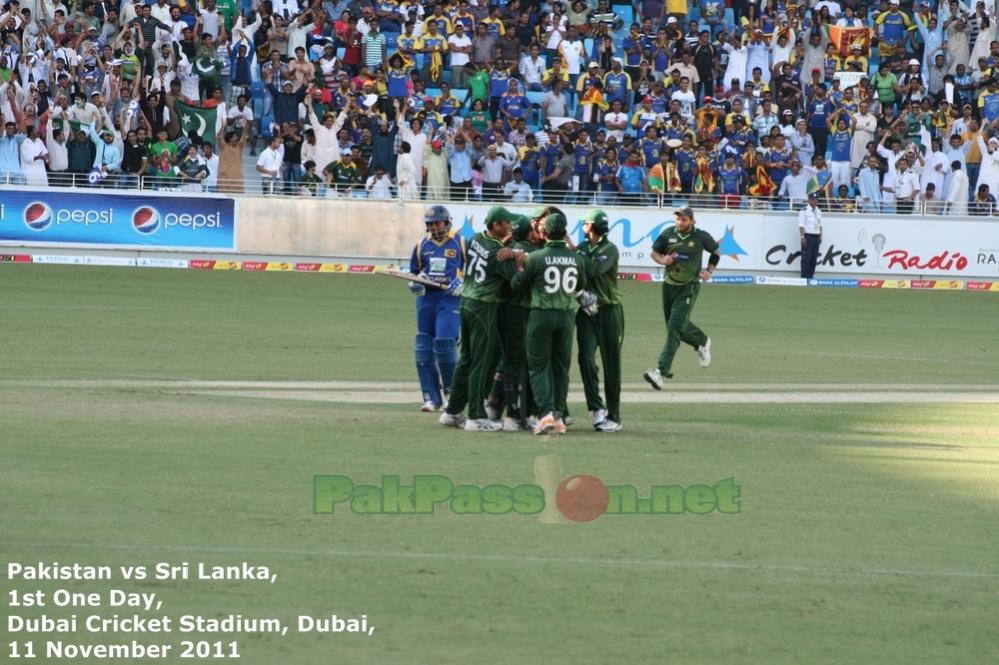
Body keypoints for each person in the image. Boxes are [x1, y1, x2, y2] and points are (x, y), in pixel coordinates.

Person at [511, 212, 589, 435]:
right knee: (561, 367)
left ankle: (545, 414)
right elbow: (580, 286)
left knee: (538, 366)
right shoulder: (577, 258)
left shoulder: (537, 257)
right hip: (566, 316)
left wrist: (518, 266)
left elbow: (518, 284)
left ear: (544, 232)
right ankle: (559, 415)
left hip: (542, 314)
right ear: (564, 233)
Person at [439, 206, 516, 432]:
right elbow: (515, 280)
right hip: (484, 306)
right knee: (480, 363)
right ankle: (476, 416)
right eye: (505, 223)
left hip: (467, 303)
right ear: (495, 225)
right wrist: (517, 256)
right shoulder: (498, 253)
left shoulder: (475, 240)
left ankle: (452, 411)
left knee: (466, 359)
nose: (509, 226)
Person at [643, 206, 719, 389]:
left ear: (692, 220)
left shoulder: (701, 236)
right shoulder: (668, 233)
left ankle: (661, 372)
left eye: (684, 219)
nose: (680, 222)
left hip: (689, 287)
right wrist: (662, 260)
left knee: (673, 329)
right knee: (674, 325)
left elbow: (716, 252)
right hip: (669, 286)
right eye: (677, 219)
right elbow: (654, 253)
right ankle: (701, 341)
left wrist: (709, 270)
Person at [409, 205, 465, 413]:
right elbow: (414, 272)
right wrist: (416, 283)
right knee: (423, 346)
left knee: (444, 344)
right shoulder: (421, 245)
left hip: (449, 299)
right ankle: (431, 398)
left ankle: (452, 395)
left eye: (437, 223)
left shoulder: (460, 242)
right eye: (430, 224)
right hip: (427, 300)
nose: (434, 227)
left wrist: (462, 283)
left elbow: (473, 271)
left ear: (446, 222)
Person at [575, 209, 623, 433]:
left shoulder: (609, 249)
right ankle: (596, 408)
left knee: (611, 364)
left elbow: (594, 270)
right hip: (587, 312)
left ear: (593, 227)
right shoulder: (583, 247)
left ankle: (614, 415)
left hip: (609, 311)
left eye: (586, 224)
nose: (584, 227)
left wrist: (575, 254)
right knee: (585, 359)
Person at [798, 193, 823, 279]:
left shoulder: (818, 211)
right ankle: (804, 277)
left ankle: (810, 276)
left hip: (816, 236)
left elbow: (820, 225)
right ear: (809, 200)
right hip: (808, 236)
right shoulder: (804, 211)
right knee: (806, 258)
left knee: (813, 258)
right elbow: (801, 226)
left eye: (816, 199)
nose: (815, 201)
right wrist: (802, 237)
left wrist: (820, 236)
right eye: (813, 199)